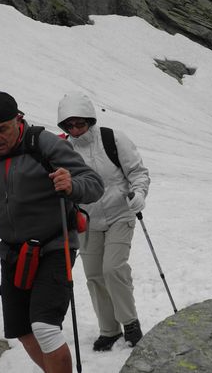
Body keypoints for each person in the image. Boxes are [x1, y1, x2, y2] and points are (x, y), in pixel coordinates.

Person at [0, 91, 104, 373]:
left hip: (55, 246)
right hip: (13, 253)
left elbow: (93, 183)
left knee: (45, 327)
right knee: (22, 330)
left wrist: (72, 184)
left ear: (18, 120)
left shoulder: (43, 144)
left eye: (2, 129)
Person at [56, 91, 150, 351]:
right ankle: (108, 330)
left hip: (120, 213)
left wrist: (139, 193)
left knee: (113, 268)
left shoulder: (112, 139)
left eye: (80, 123)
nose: (75, 130)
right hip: (86, 220)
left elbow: (138, 172)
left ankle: (130, 322)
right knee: (94, 275)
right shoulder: (62, 148)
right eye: (69, 125)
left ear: (90, 120)